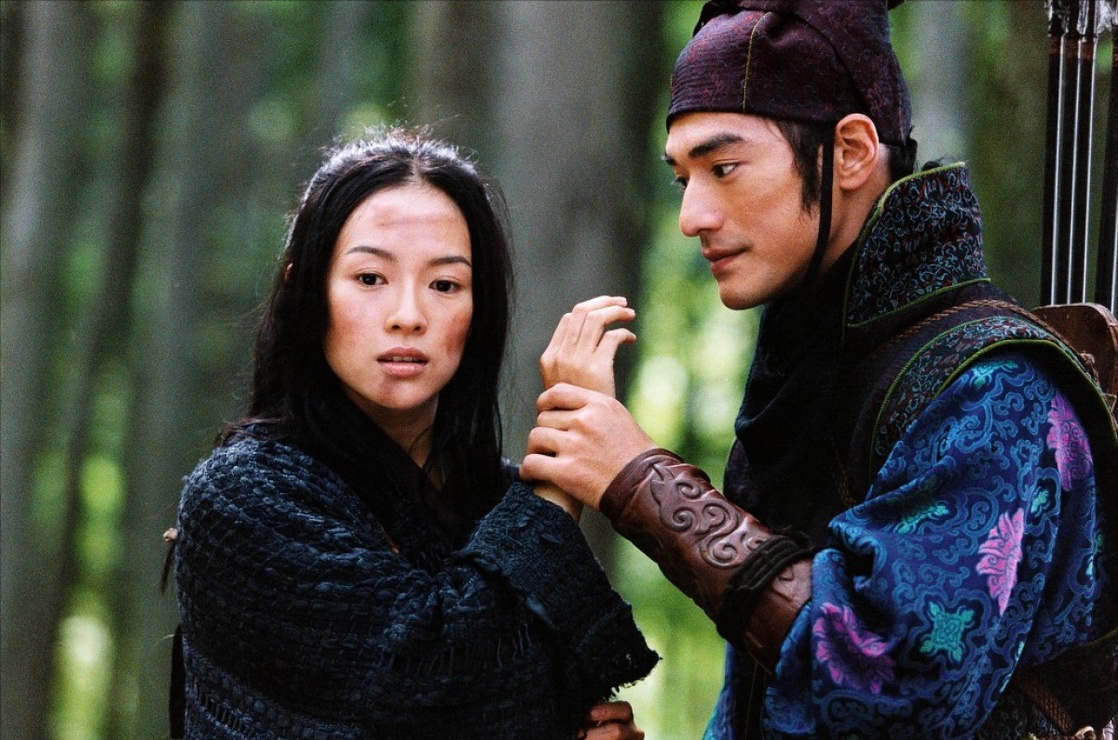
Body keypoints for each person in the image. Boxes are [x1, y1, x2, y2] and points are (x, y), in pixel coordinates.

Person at [521, 1, 1118, 737]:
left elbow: (893, 685)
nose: (692, 216)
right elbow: (765, 700)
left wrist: (642, 484)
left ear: (854, 151)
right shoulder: (817, 363)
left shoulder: (993, 385)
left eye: (724, 167)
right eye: (683, 178)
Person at [169, 128, 658, 739]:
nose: (408, 316)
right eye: (370, 279)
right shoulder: (243, 493)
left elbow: (553, 694)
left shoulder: (496, 499)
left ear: (479, 310)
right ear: (306, 291)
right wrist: (558, 481)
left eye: (445, 285)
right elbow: (425, 682)